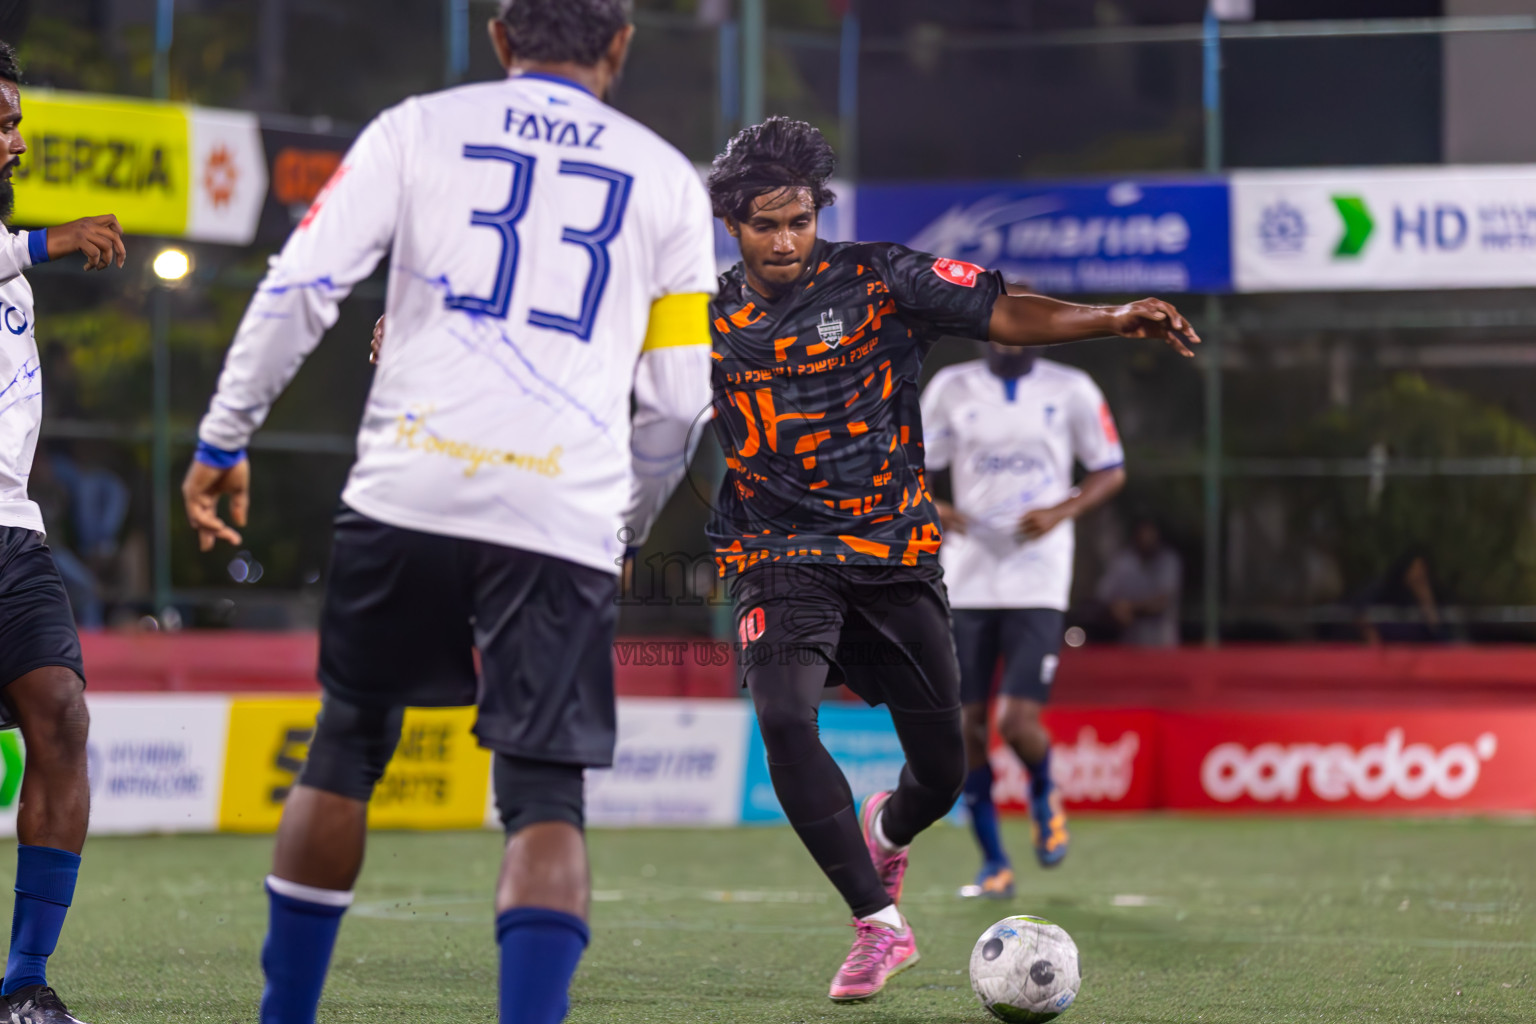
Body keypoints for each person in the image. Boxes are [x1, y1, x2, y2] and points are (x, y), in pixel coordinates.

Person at [180, 2, 714, 1021]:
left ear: (501, 36)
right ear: (620, 45)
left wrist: (223, 437)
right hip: (560, 510)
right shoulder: (667, 180)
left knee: (345, 746)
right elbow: (682, 403)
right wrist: (624, 523)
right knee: (546, 797)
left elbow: (301, 284)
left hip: (409, 488)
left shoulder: (416, 125)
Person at [704, 116, 1197, 1002]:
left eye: (799, 220)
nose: (784, 240)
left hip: (894, 561)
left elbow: (1003, 307)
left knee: (941, 773)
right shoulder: (701, 314)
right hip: (776, 555)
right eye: (763, 223)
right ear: (730, 223)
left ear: (819, 213)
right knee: (782, 718)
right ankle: (878, 927)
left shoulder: (880, 276)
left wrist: (1113, 318)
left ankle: (887, 831)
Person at [0, 40, 129, 1024]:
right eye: (2, 120)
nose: (17, 140)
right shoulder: (16, 250)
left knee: (63, 715)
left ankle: (23, 986)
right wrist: (47, 240)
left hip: (12, 532)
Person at [922, 341, 1125, 898]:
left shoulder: (1072, 387)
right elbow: (909, 469)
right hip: (966, 577)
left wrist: (1062, 510)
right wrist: (932, 505)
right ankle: (994, 863)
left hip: (1039, 576)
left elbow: (1110, 469)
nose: (1008, 336)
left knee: (1015, 723)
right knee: (965, 728)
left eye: (1022, 323)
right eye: (998, 323)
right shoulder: (950, 388)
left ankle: (1042, 789)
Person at [1096, 517, 1182, 646]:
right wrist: (1115, 608)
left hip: (1161, 644)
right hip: (1129, 643)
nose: (1146, 539)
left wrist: (1130, 607)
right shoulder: (1124, 561)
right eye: (1142, 535)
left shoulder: (1168, 561)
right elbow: (1103, 597)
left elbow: (1162, 602)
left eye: (1150, 535)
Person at [1354, 549, 1448, 644]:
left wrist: (1427, 602)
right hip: (1384, 650)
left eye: (1422, 569)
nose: (1419, 573)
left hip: (1417, 651)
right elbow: (1359, 613)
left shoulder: (1432, 593)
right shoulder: (1384, 587)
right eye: (1415, 568)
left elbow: (1440, 636)